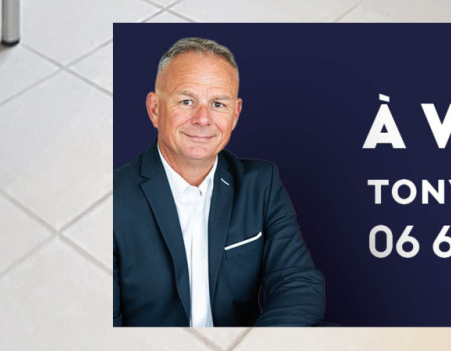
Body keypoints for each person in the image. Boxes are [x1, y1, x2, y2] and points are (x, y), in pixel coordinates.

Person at [113, 36, 325, 327]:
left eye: (217, 104)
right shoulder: (112, 199)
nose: (203, 119)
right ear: (155, 109)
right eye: (186, 101)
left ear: (235, 114)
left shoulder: (260, 185)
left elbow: (298, 284)